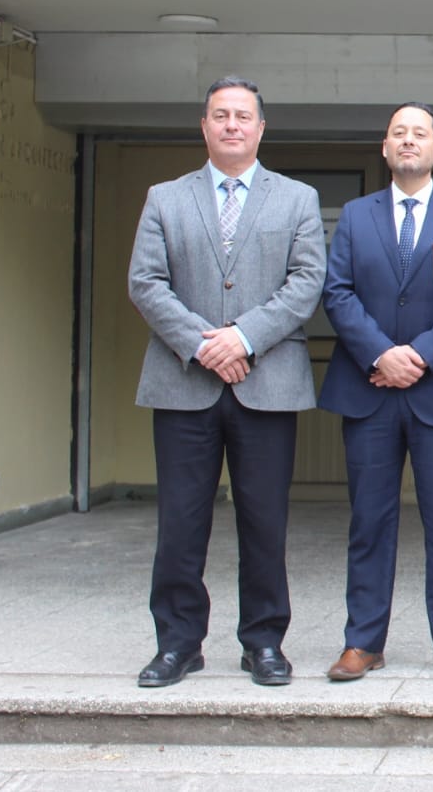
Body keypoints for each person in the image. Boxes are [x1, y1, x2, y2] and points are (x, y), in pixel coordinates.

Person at [128, 76, 326, 688]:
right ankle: (178, 644)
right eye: (221, 115)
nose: (232, 125)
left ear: (261, 128)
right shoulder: (165, 198)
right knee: (180, 523)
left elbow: (306, 282)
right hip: (182, 383)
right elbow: (145, 283)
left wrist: (242, 338)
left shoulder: (297, 198)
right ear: (204, 126)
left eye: (243, 116)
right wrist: (204, 344)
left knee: (264, 523)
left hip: (267, 385)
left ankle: (263, 642)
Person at [319, 102, 433, 684]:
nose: (409, 141)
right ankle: (363, 641)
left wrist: (417, 356)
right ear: (385, 147)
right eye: (399, 133)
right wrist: (381, 354)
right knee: (370, 522)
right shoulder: (356, 215)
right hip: (367, 389)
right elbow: (337, 293)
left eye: (420, 134)